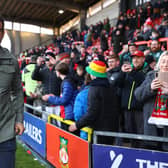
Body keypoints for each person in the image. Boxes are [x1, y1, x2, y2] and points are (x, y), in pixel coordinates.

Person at [69, 60, 120, 144]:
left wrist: (77, 125)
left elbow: (92, 113)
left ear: (93, 74)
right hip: (111, 129)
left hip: (98, 130)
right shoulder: (110, 86)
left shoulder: (94, 89)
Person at [0, 17, 24, 168]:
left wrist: (19, 119)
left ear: (2, 33)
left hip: (5, 132)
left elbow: (17, 91)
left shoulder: (11, 60)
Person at [135, 51, 168, 151]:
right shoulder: (151, 76)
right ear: (159, 63)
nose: (165, 65)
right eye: (163, 61)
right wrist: (150, 88)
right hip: (152, 126)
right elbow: (137, 95)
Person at [42, 63, 78, 129]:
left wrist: (49, 98)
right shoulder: (67, 81)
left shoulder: (67, 83)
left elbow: (64, 100)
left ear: (58, 72)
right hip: (67, 113)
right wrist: (53, 97)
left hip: (69, 114)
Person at [32, 49, 62, 121]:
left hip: (58, 102)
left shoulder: (59, 69)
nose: (48, 61)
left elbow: (67, 74)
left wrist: (56, 63)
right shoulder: (43, 70)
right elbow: (34, 77)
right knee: (46, 124)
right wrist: (38, 65)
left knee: (58, 124)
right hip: (46, 102)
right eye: (46, 59)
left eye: (50, 59)